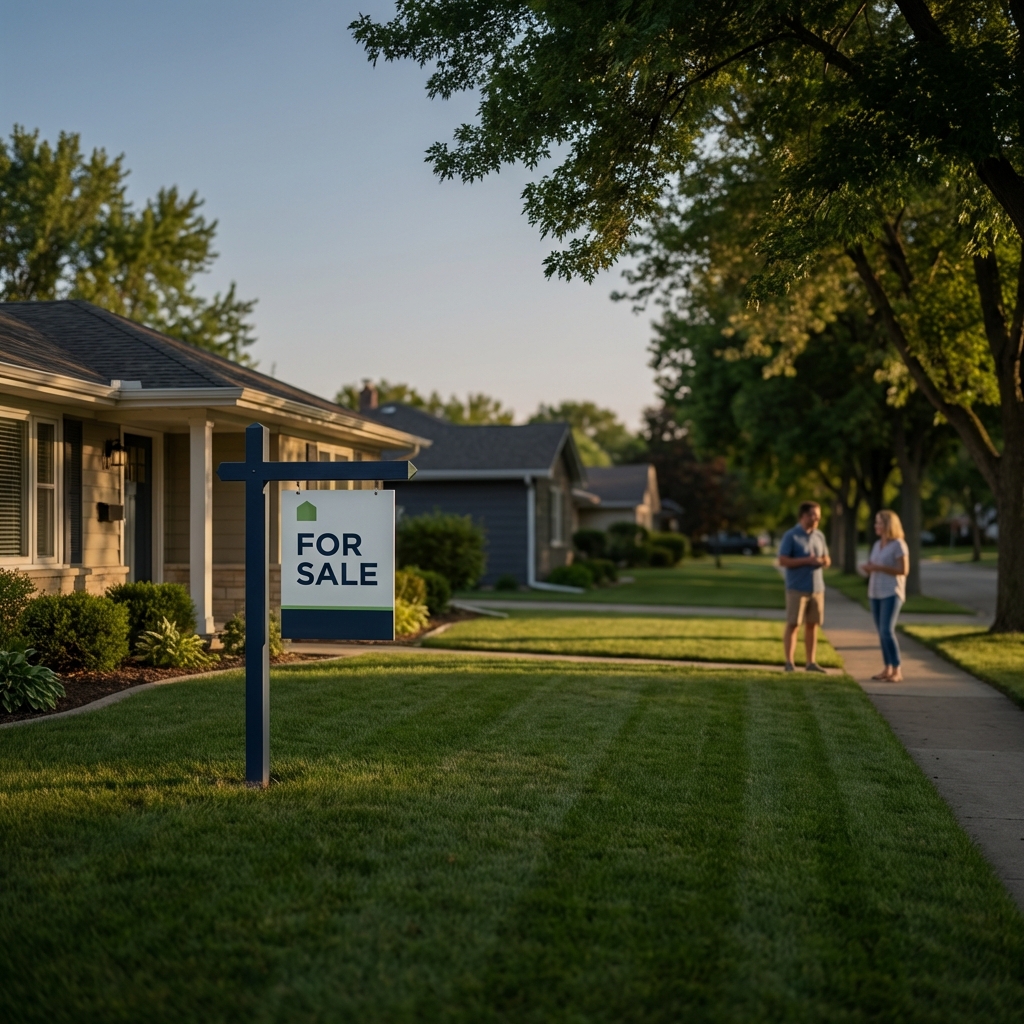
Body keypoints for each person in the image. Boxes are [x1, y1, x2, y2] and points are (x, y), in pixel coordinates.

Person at [777, 501, 831, 672]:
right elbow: (783, 560)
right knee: (793, 624)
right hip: (797, 588)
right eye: (814, 515)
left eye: (818, 515)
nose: (817, 518)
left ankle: (811, 662)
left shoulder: (819, 536)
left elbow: (827, 559)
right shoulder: (791, 536)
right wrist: (806, 561)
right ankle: (789, 662)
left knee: (813, 625)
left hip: (817, 588)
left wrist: (823, 561)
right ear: (803, 516)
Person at [861, 510, 910, 682]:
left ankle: (897, 670)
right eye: (876, 522)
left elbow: (903, 571)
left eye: (879, 523)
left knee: (887, 631)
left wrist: (879, 568)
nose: (876, 526)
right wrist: (869, 567)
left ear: (888, 525)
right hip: (875, 592)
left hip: (891, 593)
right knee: (881, 633)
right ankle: (887, 668)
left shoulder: (899, 545)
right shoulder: (877, 544)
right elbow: (875, 565)